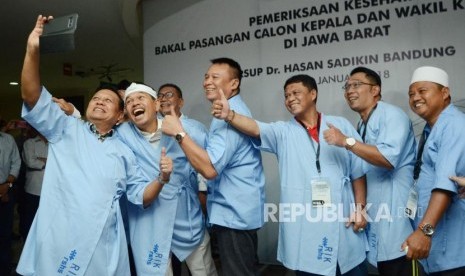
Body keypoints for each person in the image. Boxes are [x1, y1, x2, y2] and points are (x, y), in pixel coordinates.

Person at [17, 15, 172, 275]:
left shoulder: (125, 151)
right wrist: (32, 49)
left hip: (104, 243)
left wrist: (162, 178)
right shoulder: (65, 128)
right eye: (96, 98)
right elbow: (32, 96)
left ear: (120, 116)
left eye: (108, 101)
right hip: (60, 239)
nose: (99, 101)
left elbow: (140, 197)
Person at [209, 74, 368, 276]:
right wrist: (229, 115)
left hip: (344, 223)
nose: (290, 98)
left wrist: (360, 208)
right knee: (311, 268)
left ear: (313, 94)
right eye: (286, 95)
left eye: (295, 93)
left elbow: (358, 171)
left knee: (351, 268)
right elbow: (256, 127)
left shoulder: (339, 125)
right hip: (306, 229)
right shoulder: (282, 132)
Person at [162, 57, 265, 276]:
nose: (207, 82)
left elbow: (209, 169)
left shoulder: (232, 116)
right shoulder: (226, 113)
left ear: (234, 83)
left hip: (234, 215)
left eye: (215, 77)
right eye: (206, 76)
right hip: (232, 212)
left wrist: (179, 133)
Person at [323, 67, 421, 275]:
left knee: (399, 265)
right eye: (347, 86)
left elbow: (387, 159)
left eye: (356, 84)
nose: (350, 90)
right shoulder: (362, 123)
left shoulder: (392, 114)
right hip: (377, 215)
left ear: (375, 90)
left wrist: (346, 141)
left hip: (396, 217)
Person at [115, 82, 216, 276]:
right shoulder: (121, 136)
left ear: (156, 104)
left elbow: (209, 164)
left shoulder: (188, 129)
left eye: (140, 98)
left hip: (186, 216)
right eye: (129, 101)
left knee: (203, 271)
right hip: (148, 220)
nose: (134, 102)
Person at [402, 66, 465, 275]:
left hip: (453, 252)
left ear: (444, 93)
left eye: (422, 91)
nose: (415, 98)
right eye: (411, 94)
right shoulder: (431, 128)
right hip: (435, 251)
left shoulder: (453, 124)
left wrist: (424, 232)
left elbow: (445, 185)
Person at [157, 83, 217, 276]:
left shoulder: (195, 129)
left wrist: (202, 194)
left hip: (187, 206)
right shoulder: (149, 128)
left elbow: (205, 163)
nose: (164, 98)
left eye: (170, 95)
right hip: (157, 209)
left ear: (181, 102)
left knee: (201, 268)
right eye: (160, 96)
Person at [0, 128, 21, 276]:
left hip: (6, 191)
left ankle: (5, 269)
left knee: (5, 234)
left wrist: (7, 185)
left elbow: (16, 162)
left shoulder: (8, 139)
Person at [20, 128, 48, 239]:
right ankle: (27, 244)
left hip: (50, 190)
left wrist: (41, 159)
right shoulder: (30, 143)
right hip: (33, 189)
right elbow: (31, 162)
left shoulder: (55, 144)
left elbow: (61, 162)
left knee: (45, 220)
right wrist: (50, 161)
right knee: (30, 220)